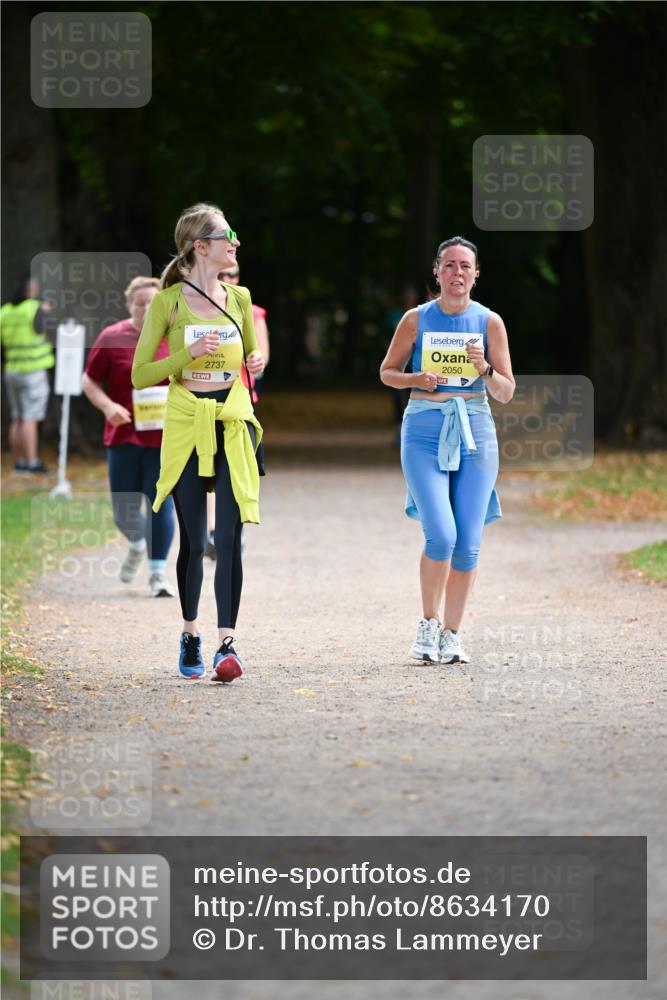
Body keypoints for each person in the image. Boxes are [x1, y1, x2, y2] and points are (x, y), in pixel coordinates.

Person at [131, 202, 265, 682]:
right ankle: (190, 633)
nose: (235, 242)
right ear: (200, 246)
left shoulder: (240, 297)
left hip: (232, 420)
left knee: (229, 537)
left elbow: (250, 353)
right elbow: (140, 373)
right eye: (228, 235)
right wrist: (186, 354)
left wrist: (254, 362)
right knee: (193, 538)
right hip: (187, 421)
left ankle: (227, 644)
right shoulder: (168, 302)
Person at [380, 237, 515, 665]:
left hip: (476, 430)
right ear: (437, 272)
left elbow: (506, 391)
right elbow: (387, 372)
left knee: (468, 545)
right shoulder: (416, 319)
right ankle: (428, 623)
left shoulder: (489, 322)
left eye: (465, 266)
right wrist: (415, 378)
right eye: (450, 265)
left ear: (476, 275)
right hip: (423, 428)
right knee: (441, 534)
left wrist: (484, 368)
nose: (458, 273)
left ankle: (452, 634)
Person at [82, 276, 176, 598]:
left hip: (164, 438)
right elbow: (89, 380)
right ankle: (137, 544)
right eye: (140, 303)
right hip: (124, 436)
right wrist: (108, 406)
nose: (147, 308)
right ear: (129, 305)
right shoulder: (112, 337)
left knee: (160, 504)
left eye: (154, 302)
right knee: (123, 510)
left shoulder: (175, 337)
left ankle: (158, 574)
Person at [206, 263, 270, 559]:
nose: (226, 279)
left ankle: (232, 529)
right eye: (221, 274)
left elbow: (262, 357)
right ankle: (211, 530)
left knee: (235, 467)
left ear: (239, 277)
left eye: (231, 274)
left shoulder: (252, 312)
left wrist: (254, 360)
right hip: (203, 399)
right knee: (206, 464)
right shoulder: (197, 309)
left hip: (239, 399)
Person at [1, 274, 54, 474]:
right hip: (33, 370)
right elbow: (51, 332)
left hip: (12, 370)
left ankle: (19, 463)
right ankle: (32, 462)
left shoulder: (5, 311)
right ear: (30, 289)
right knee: (30, 418)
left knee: (17, 418)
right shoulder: (35, 308)